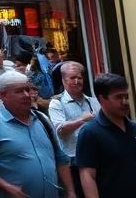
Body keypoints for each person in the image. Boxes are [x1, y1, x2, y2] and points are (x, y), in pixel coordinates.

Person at [0, 70, 74, 198]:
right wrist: (7, 187)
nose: (26, 95)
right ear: (3, 95)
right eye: (19, 91)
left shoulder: (42, 119)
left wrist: (70, 191)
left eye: (27, 89)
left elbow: (61, 158)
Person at [73, 73, 136, 198]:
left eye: (126, 96)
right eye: (118, 97)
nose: (125, 102)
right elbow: (87, 176)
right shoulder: (90, 132)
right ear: (101, 99)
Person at [47, 60, 96, 195]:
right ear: (63, 81)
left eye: (79, 78)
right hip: (72, 161)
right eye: (72, 78)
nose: (77, 81)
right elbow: (61, 131)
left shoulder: (92, 101)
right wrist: (82, 120)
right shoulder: (57, 103)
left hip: (94, 157)